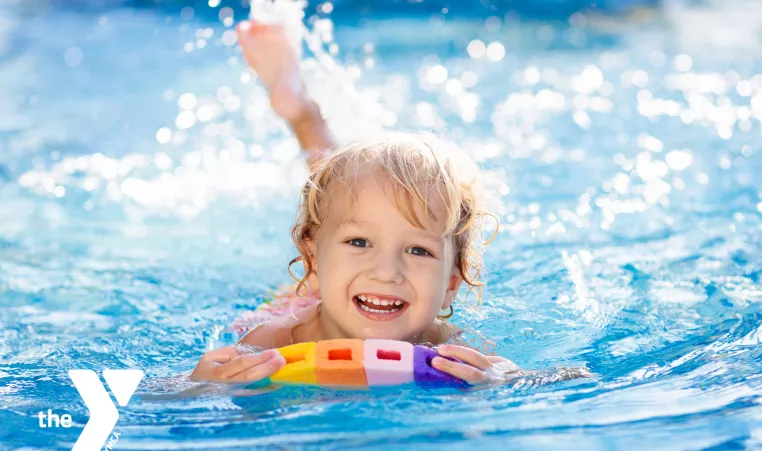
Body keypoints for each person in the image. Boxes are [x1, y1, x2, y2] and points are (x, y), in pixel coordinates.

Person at [189, 20, 590, 387]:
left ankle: (303, 114)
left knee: (348, 203)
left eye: (419, 250)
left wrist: (509, 378)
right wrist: (201, 384)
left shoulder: (454, 349)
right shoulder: (272, 339)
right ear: (310, 261)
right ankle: (300, 110)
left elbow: (575, 377)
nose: (386, 272)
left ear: (452, 283)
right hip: (306, 298)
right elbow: (159, 397)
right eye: (359, 243)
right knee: (335, 193)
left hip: (337, 281)